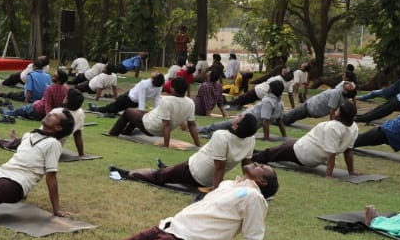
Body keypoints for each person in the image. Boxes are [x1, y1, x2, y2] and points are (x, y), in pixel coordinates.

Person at [27, 163, 280, 240]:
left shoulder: (255, 199)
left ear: (262, 181)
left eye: (261, 168)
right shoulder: (230, 185)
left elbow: (252, 237)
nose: (256, 163)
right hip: (170, 226)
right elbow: (222, 222)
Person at [119, 112, 259, 191]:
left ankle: (127, 174)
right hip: (199, 171)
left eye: (239, 115)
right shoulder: (251, 139)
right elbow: (246, 166)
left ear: (235, 126)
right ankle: (167, 169)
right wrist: (248, 184)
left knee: (159, 176)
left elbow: (219, 167)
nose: (237, 114)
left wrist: (215, 191)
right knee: (172, 171)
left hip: (194, 171)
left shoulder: (221, 136)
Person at [252, 101, 359, 177]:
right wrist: (351, 171)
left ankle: (251, 158)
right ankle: (254, 153)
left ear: (340, 114)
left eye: (338, 110)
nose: (335, 112)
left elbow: (331, 153)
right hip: (304, 148)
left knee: (271, 153)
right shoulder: (354, 127)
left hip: (303, 153)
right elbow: (348, 150)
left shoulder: (333, 128)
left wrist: (328, 175)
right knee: (275, 150)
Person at [108, 75, 201, 147]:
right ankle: (126, 133)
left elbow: (166, 124)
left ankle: (113, 133)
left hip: (150, 127)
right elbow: (192, 125)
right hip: (157, 127)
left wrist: (166, 145)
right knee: (137, 114)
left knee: (128, 111)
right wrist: (198, 144)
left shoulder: (167, 100)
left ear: (172, 88)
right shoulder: (190, 103)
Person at [202, 80, 286, 141]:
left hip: (244, 120)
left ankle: (202, 132)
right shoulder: (280, 103)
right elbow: (280, 120)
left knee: (220, 127)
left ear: (271, 90)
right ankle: (204, 132)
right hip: (248, 122)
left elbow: (265, 121)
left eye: (269, 88)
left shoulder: (268, 102)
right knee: (224, 128)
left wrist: (266, 138)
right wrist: (284, 136)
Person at [4, 69, 71, 120]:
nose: (52, 76)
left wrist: (48, 118)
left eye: (55, 76)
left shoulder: (50, 89)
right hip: (48, 110)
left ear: (59, 80)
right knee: (24, 109)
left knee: (21, 110)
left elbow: (48, 105)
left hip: (39, 110)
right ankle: (13, 111)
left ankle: (7, 113)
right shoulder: (67, 89)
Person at [281, 82, 356, 126]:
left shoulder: (337, 94)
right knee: (290, 119)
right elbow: (344, 83)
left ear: (347, 92)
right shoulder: (340, 92)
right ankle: (276, 119)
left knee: (285, 118)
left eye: (351, 86)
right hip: (311, 106)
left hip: (310, 107)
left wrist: (332, 126)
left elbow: (332, 112)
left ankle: (272, 119)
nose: (349, 83)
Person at [91, 73, 164, 115]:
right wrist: (156, 112)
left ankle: (96, 109)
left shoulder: (144, 84)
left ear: (154, 79)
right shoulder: (158, 85)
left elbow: (143, 99)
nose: (156, 72)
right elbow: (156, 100)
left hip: (127, 99)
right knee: (113, 109)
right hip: (134, 102)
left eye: (157, 74)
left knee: (111, 108)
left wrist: (141, 114)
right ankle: (97, 108)